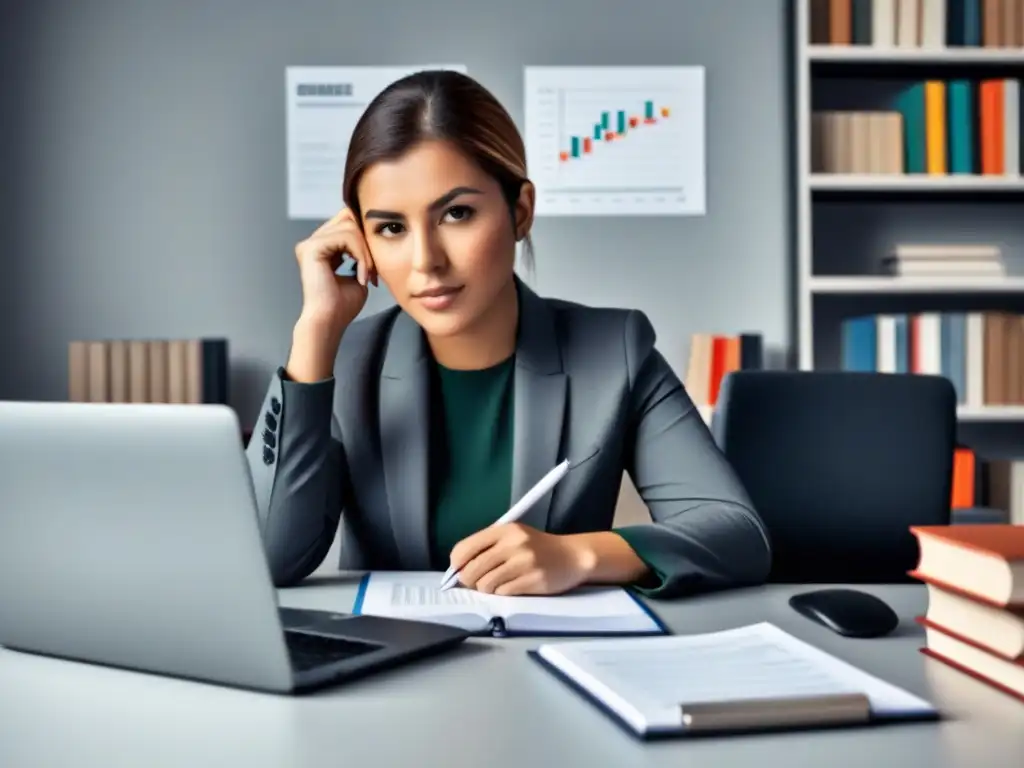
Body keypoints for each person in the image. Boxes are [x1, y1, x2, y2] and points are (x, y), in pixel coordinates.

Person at [246, 69, 771, 599]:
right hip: (393, 671)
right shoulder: (349, 361)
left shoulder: (616, 351)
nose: (426, 260)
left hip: (550, 659)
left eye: (456, 213)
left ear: (520, 212)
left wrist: (580, 555)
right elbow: (265, 556)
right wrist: (315, 332)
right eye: (391, 228)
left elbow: (737, 533)